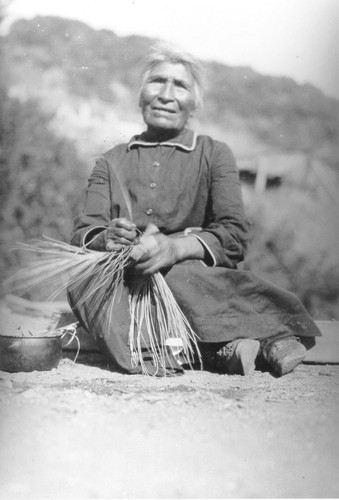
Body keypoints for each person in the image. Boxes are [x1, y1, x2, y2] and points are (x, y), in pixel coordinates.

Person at [68, 42, 321, 377]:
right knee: (84, 284)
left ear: (195, 103)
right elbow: (84, 232)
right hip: (124, 279)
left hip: (191, 275)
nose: (166, 95)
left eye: (181, 86)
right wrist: (107, 239)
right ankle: (233, 346)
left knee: (181, 276)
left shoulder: (214, 154)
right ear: (141, 93)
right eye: (157, 81)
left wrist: (175, 249)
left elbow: (233, 236)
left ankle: (242, 341)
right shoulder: (111, 160)